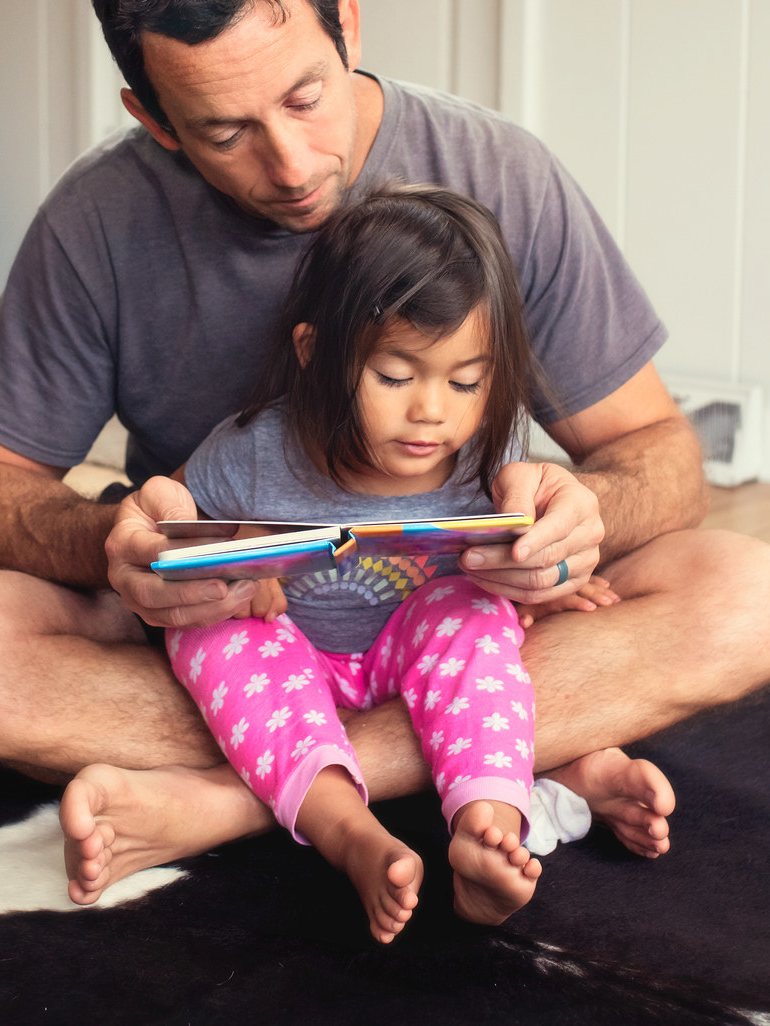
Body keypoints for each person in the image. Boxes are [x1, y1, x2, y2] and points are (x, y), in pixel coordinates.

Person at [0, 0, 770, 905]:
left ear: (347, 25)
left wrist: (584, 519)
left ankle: (243, 799)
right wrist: (106, 541)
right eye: (223, 130)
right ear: (150, 117)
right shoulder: (97, 222)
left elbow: (654, 448)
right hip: (235, 633)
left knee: (748, 597)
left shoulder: (496, 171)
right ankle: (490, 760)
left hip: (458, 613)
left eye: (304, 96)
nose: (288, 165)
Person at [166, 183, 627, 942]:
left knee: (475, 615)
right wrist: (222, 581)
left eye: (466, 381)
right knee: (211, 638)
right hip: (288, 660)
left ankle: (487, 824)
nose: (432, 412)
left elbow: (515, 562)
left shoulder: (487, 456)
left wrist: (541, 576)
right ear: (316, 355)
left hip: (409, 652)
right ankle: (350, 834)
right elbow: (170, 547)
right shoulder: (248, 452)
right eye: (394, 376)